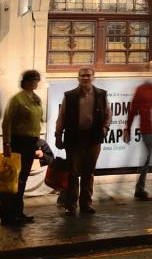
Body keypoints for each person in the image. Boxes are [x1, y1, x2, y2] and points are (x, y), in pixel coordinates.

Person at [54, 66, 109, 216]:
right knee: (73, 172)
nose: (85, 78)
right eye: (82, 75)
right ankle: (71, 205)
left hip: (93, 138)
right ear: (78, 78)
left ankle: (86, 204)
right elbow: (62, 116)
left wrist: (104, 129)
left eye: (88, 75)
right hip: (74, 138)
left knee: (89, 172)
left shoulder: (101, 95)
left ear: (93, 77)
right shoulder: (70, 96)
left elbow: (108, 114)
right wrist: (58, 135)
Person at [0, 69, 43, 226]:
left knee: (23, 179)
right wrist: (7, 143)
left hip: (31, 142)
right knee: (13, 179)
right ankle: (7, 215)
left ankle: (18, 211)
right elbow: (7, 122)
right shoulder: (17, 99)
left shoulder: (36, 99)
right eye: (32, 80)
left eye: (36, 80)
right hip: (18, 142)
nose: (35, 83)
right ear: (25, 82)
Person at [124, 79, 152, 201]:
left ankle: (140, 188)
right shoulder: (148, 90)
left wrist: (128, 127)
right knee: (146, 159)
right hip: (148, 130)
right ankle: (139, 189)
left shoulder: (147, 89)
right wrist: (127, 128)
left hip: (150, 129)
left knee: (147, 158)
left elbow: (134, 111)